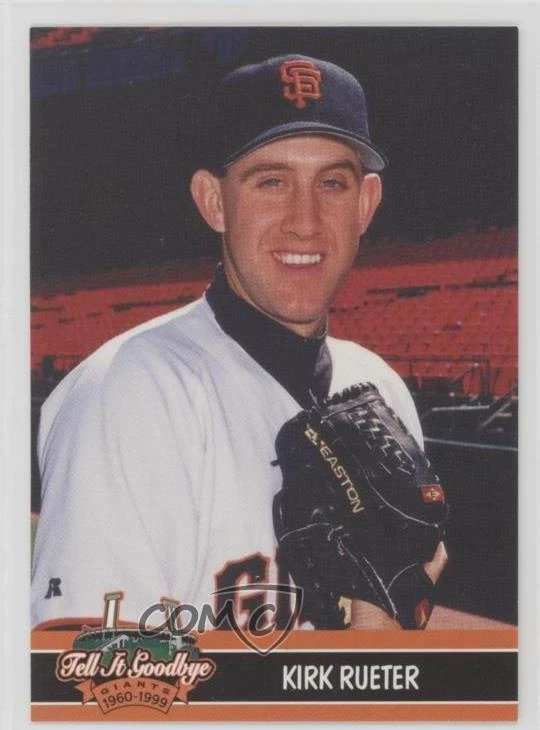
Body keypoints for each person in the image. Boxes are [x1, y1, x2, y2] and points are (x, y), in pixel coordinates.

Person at [31, 54, 447, 632]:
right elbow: (88, 674)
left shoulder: (381, 388)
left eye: (332, 183)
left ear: (366, 204)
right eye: (272, 182)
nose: (305, 221)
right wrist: (370, 639)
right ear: (214, 201)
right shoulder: (129, 390)